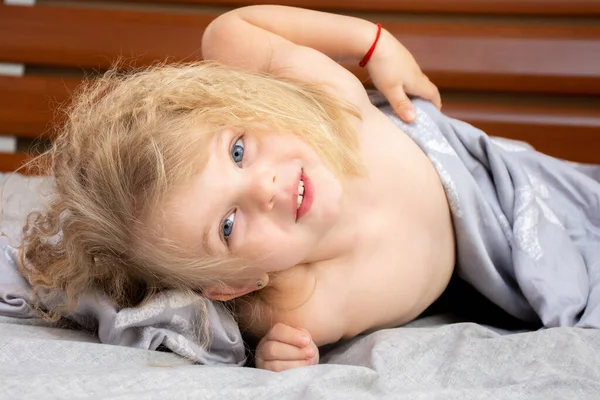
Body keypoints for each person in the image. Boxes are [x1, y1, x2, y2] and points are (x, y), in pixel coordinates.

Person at [19, 5, 600, 373]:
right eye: (228, 224)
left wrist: (373, 44)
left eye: (238, 150)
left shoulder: (332, 103)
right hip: (494, 269)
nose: (266, 187)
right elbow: (215, 332)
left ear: (242, 107)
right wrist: (275, 355)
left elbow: (227, 30)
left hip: (511, 184)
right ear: (233, 284)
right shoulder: (298, 302)